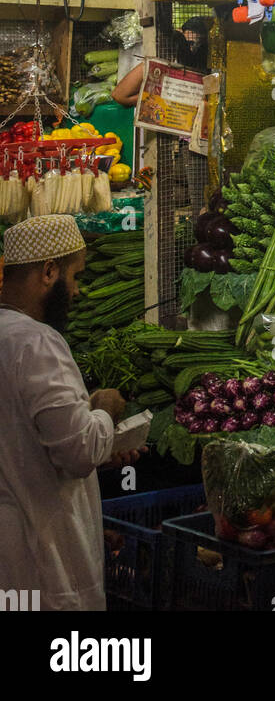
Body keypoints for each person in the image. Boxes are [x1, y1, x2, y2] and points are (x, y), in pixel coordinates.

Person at [0, 214, 136, 611]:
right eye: (75, 276)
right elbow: (79, 451)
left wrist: (89, 420)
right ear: (48, 271)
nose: (77, 292)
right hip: (42, 558)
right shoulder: (36, 342)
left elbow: (25, 437)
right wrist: (106, 409)